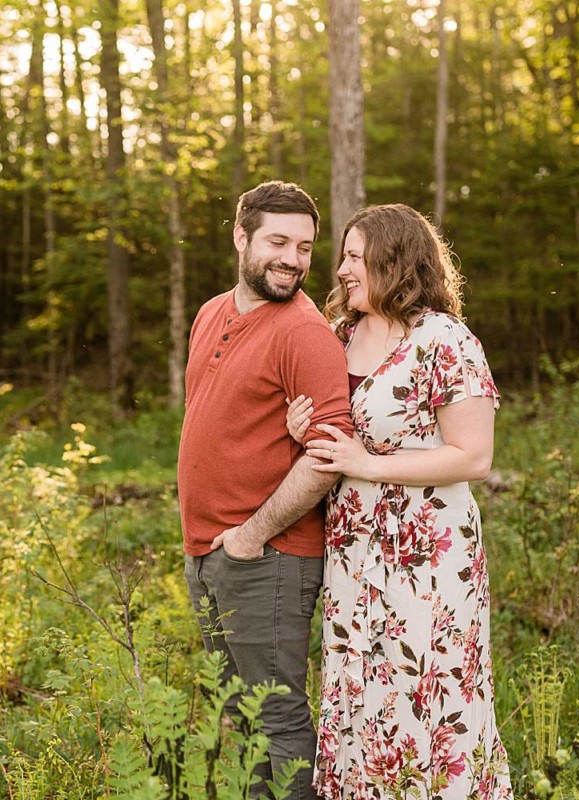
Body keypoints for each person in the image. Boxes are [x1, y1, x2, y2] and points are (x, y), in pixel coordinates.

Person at [286, 204, 513, 798]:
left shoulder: (444, 338)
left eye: (355, 257)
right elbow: (339, 436)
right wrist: (300, 428)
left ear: (395, 261)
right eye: (343, 256)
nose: (341, 270)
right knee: (359, 684)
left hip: (427, 550)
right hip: (353, 544)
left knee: (427, 685)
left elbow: (474, 457)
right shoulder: (340, 335)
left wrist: (368, 463)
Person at [179, 180, 354, 799]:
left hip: (269, 556)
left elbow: (328, 455)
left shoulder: (306, 333)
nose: (293, 259)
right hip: (209, 551)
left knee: (275, 719)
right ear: (240, 237)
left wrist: (250, 537)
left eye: (305, 248)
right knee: (240, 716)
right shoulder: (209, 313)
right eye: (278, 242)